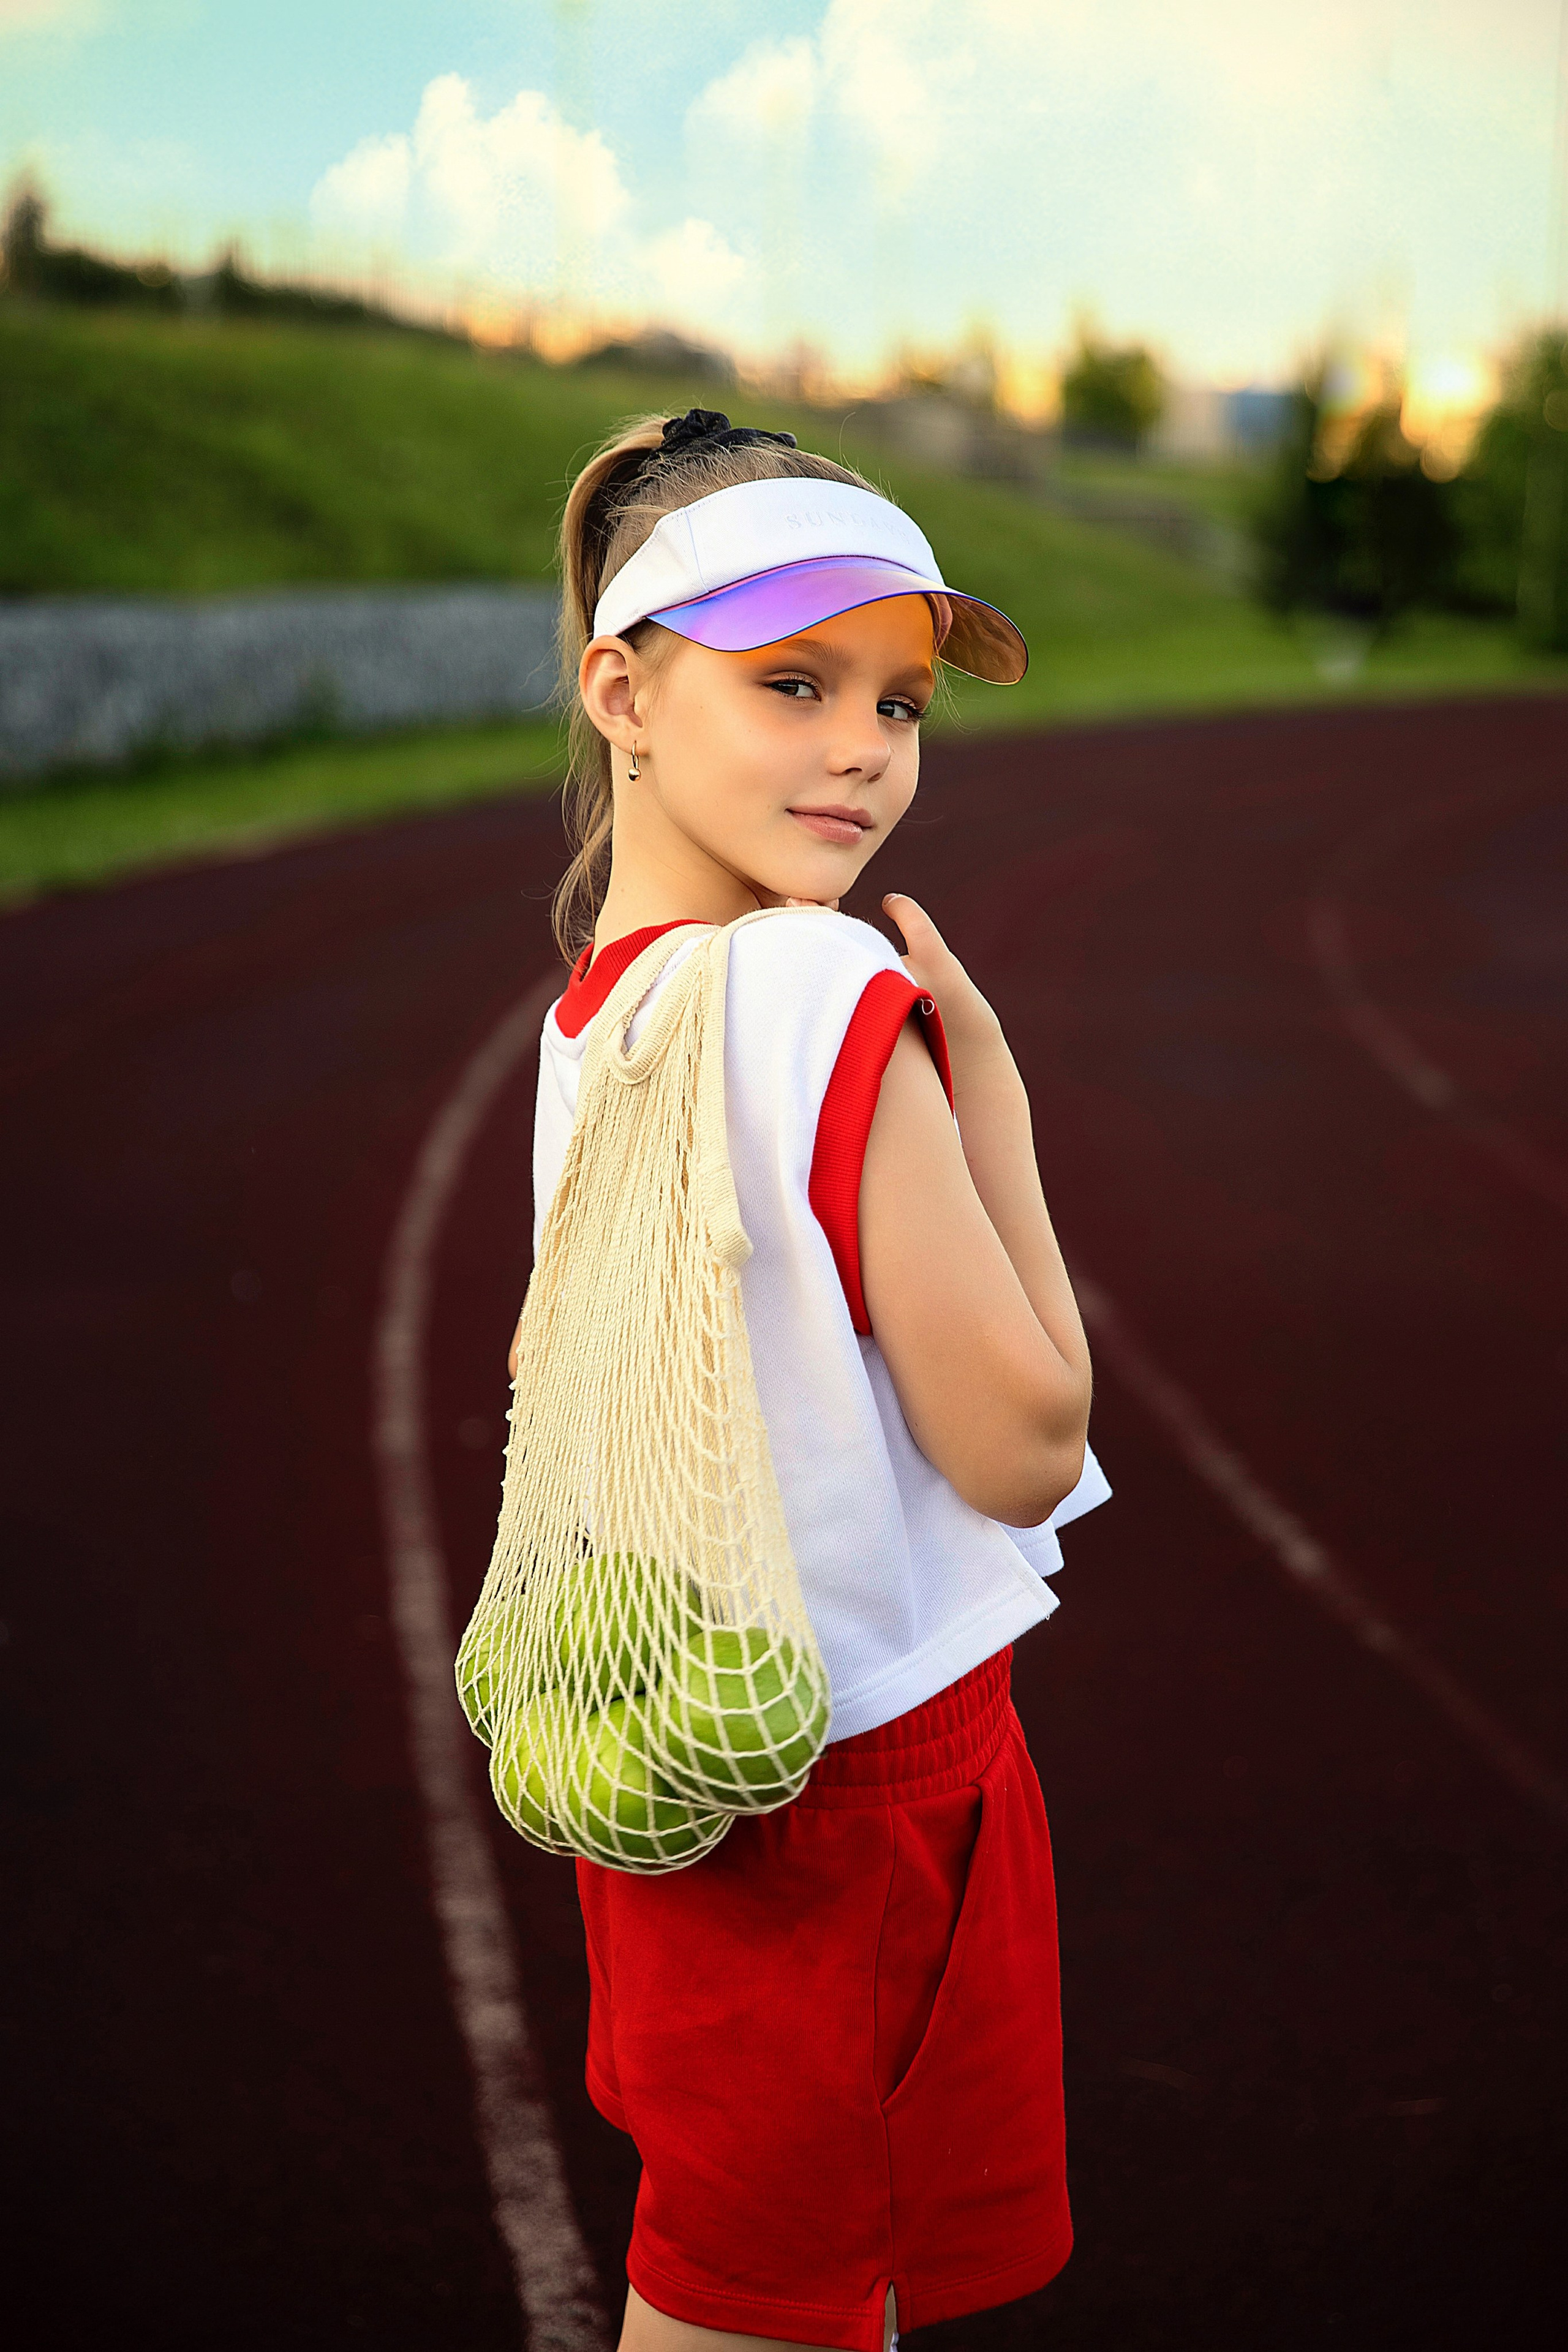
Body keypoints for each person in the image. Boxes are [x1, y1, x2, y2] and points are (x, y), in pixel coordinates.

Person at [514, 407, 1109, 2352]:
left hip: (681, 1729)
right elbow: (1025, 1445)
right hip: (859, 1778)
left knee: (738, 2265)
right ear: (624, 688)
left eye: (903, 702)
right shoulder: (812, 988)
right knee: (765, 2309)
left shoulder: (600, 1014)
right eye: (794, 682)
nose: (864, 746)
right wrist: (992, 1092)